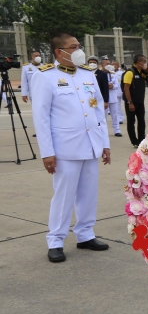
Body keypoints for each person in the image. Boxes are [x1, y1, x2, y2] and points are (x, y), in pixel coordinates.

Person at [29, 33, 111, 262]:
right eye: (73, 47)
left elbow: (97, 112)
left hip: (91, 144)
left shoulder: (87, 74)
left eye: (78, 46)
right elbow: (41, 117)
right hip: (65, 148)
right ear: (59, 52)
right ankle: (55, 240)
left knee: (88, 194)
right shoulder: (45, 77)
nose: (79, 50)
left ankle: (85, 234)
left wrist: (105, 144)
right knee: (64, 196)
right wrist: (47, 152)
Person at [122, 54, 148, 147]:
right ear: (139, 62)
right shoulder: (130, 72)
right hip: (131, 102)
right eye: (144, 61)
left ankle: (141, 140)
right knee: (131, 122)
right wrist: (130, 102)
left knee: (141, 121)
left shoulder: (142, 72)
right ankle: (134, 141)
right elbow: (126, 88)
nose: (145, 63)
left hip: (140, 101)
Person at [105, 61, 123, 137]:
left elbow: (117, 85)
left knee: (115, 115)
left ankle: (117, 130)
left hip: (113, 96)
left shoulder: (113, 74)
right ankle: (104, 131)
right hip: (104, 97)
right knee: (104, 116)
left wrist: (112, 86)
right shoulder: (101, 74)